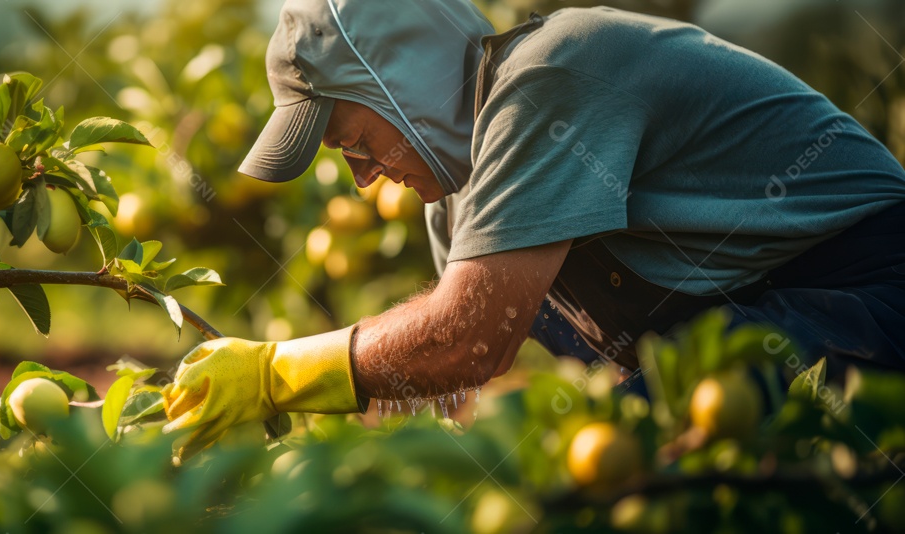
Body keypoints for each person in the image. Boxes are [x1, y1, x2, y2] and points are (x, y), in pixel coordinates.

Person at [161, 0, 905, 458]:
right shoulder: (455, 209)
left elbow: (464, 337)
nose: (361, 176)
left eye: (355, 140)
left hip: (866, 293)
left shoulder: (552, 73)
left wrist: (275, 375)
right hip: (734, 343)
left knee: (652, 463)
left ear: (400, 82)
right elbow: (454, 387)